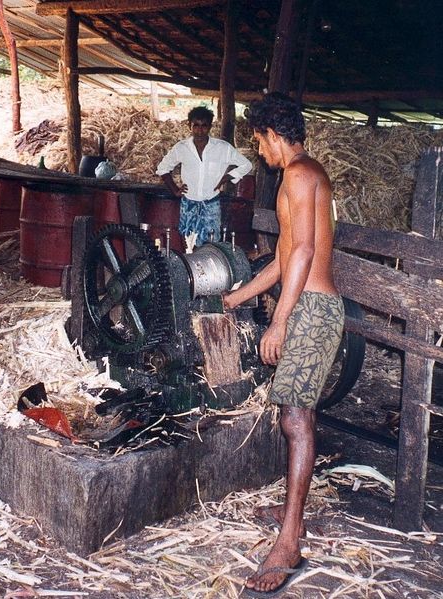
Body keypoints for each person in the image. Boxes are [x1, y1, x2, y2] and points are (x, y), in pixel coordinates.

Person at [223, 92, 344, 597]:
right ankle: (292, 508)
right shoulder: (304, 174)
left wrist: (281, 321)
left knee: (294, 418)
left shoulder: (296, 175)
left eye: (259, 143)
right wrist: (236, 297)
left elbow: (306, 253)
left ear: (273, 134)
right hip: (310, 308)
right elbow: (280, 259)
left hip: (313, 311)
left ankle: (290, 539)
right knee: (295, 417)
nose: (260, 153)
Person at [156, 106, 252, 246]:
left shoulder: (222, 148)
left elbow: (246, 165)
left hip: (211, 203)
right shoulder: (181, 148)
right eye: (196, 125)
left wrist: (226, 177)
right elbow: (163, 168)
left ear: (210, 127)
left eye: (204, 126)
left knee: (212, 245)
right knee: (188, 245)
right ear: (190, 126)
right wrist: (175, 190)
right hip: (188, 204)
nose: (200, 130)